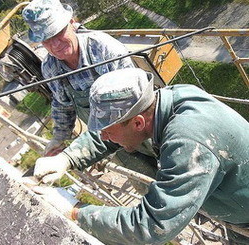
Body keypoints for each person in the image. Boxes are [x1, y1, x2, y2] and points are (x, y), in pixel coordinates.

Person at [62, 68, 248, 244]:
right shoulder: (170, 99)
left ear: (138, 123)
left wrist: (76, 212)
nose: (103, 137)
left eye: (107, 132)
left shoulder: (188, 144)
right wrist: (67, 158)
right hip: (238, 212)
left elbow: (152, 225)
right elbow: (118, 129)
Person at [22, 0, 158, 190]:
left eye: (57, 33)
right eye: (46, 40)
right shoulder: (51, 67)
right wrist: (59, 138)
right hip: (110, 138)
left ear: (72, 22)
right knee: (147, 186)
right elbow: (63, 105)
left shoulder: (102, 49)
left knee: (176, 172)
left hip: (140, 125)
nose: (55, 45)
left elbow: (136, 98)